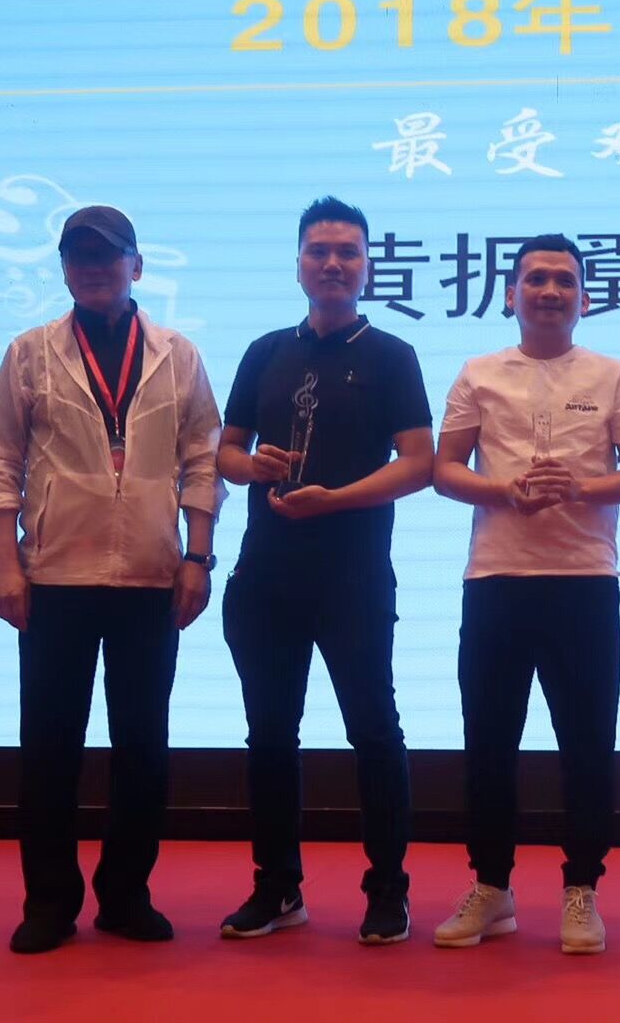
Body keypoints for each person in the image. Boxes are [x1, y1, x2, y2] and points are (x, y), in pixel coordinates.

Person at [0, 205, 224, 953]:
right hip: (55, 573)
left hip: (152, 573)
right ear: (63, 270)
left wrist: (198, 558)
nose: (92, 267)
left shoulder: (178, 354)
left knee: (143, 746)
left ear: (136, 266)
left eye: (106, 255)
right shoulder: (29, 352)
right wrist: (3, 564)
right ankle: (50, 902)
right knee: (49, 746)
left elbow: (202, 459)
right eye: (78, 256)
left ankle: (125, 896)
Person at [431, 234, 620, 956]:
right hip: (496, 579)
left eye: (564, 280)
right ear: (511, 294)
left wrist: (581, 488)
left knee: (587, 744)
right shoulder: (479, 373)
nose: (550, 291)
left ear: (584, 297)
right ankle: (492, 887)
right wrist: (504, 491)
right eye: (535, 279)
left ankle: (581, 888)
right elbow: (444, 469)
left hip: (585, 581)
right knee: (489, 740)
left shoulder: (613, 374)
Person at [216, 197, 433, 945]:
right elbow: (226, 451)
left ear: (367, 265)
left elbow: (419, 463)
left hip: (353, 577)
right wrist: (252, 466)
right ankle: (278, 887)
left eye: (347, 252)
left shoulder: (392, 355)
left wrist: (336, 499)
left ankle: (388, 890)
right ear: (299, 264)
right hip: (265, 577)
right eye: (319, 251)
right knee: (270, 735)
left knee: (374, 730)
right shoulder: (264, 352)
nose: (333, 263)